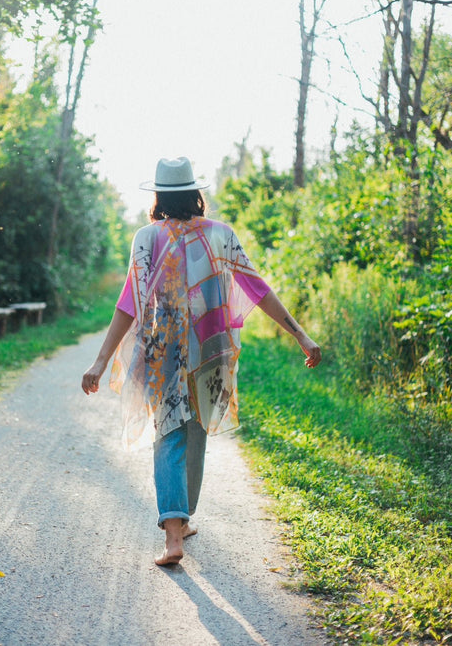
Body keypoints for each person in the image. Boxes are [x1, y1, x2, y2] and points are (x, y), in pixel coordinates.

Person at [81, 157, 321, 566]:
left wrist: (101, 361)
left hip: (164, 355)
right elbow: (256, 287)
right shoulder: (221, 235)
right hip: (211, 352)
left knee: (168, 435)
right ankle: (179, 520)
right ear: (196, 194)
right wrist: (299, 333)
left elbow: (130, 303)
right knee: (195, 434)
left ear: (158, 196)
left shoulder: (146, 238)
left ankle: (176, 531)